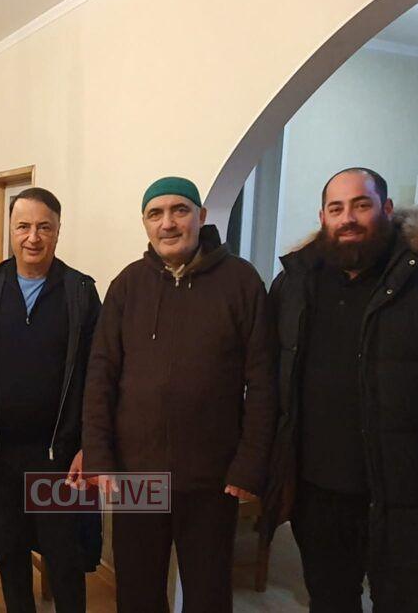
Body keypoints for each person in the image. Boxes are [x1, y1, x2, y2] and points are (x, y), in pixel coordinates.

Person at [262, 167, 418, 612]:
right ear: (323, 217)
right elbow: (271, 378)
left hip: (408, 497)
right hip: (317, 495)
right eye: (336, 208)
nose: (348, 218)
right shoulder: (296, 283)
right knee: (328, 601)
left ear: (386, 209)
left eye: (361, 205)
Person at [81, 176, 277, 613]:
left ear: (201, 216)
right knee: (137, 594)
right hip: (137, 475)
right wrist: (99, 456)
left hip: (212, 477)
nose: (167, 223)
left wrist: (250, 464)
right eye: (156, 214)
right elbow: (100, 376)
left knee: (208, 595)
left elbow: (264, 382)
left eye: (179, 210)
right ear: (145, 224)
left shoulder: (241, 282)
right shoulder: (128, 285)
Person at [0, 187, 101, 613]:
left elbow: (98, 375)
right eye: (23, 226)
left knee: (65, 559)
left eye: (44, 227)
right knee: (10, 555)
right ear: (11, 230)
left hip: (58, 457)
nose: (33, 237)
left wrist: (90, 444)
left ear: (58, 230)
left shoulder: (80, 291)